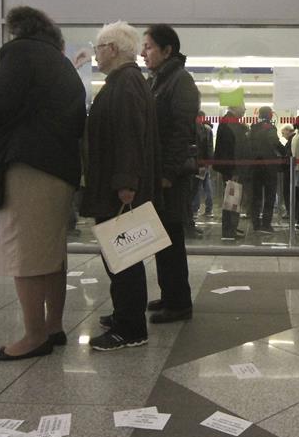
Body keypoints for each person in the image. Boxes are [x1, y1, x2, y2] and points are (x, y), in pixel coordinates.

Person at [0, 6, 85, 361]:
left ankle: (34, 336)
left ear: (17, 30)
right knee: (51, 253)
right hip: (61, 169)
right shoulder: (62, 64)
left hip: (29, 166)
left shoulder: (19, 53)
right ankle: (52, 326)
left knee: (28, 253)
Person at [83, 21, 161, 350]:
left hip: (119, 188)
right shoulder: (124, 80)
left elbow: (129, 135)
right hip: (117, 184)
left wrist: (126, 182)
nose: (96, 55)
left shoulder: (125, 82)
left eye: (99, 48)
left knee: (124, 258)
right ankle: (124, 314)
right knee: (120, 257)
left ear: (112, 50)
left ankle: (130, 327)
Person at [140, 24, 200, 324]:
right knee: (162, 238)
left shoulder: (180, 81)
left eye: (149, 46)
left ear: (167, 51)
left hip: (172, 177)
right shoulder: (160, 80)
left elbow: (181, 133)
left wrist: (166, 174)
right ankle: (169, 294)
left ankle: (179, 303)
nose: (143, 52)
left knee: (171, 238)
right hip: (161, 174)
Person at [213, 105, 250, 240]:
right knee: (232, 199)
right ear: (236, 108)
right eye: (243, 108)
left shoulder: (228, 122)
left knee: (232, 198)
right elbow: (233, 149)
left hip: (230, 167)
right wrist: (234, 170)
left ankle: (231, 227)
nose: (245, 111)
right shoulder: (231, 124)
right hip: (232, 168)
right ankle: (229, 231)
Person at [248, 106, 283, 232]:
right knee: (269, 196)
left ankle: (256, 223)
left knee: (256, 196)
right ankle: (266, 224)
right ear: (270, 115)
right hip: (269, 166)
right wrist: (286, 153)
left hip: (255, 166)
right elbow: (275, 143)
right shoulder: (269, 127)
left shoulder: (253, 128)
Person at [190, 112, 215, 219]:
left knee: (197, 186)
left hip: (198, 162)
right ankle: (209, 208)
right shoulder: (208, 129)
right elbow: (209, 147)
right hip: (205, 162)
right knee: (206, 185)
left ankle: (195, 209)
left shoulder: (196, 129)